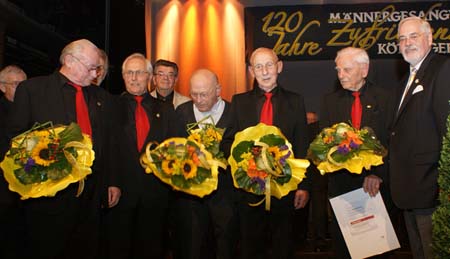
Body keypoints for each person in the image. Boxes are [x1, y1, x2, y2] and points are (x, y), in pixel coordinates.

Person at [2, 39, 121, 259]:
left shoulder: (101, 98)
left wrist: (111, 181)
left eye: (98, 69)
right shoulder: (33, 90)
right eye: (91, 68)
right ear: (69, 61)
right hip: (49, 198)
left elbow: (109, 142)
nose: (95, 74)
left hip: (91, 195)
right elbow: (14, 139)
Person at [221, 47, 310, 259]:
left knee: (284, 245)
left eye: (269, 64)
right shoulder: (239, 102)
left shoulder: (295, 101)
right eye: (258, 66)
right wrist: (245, 157)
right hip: (249, 190)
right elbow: (227, 142)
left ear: (279, 67)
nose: (265, 71)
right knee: (251, 247)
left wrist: (303, 186)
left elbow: (302, 144)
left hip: (285, 187)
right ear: (251, 71)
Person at [320, 47, 393, 258]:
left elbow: (391, 142)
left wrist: (378, 173)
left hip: (376, 188)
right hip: (342, 190)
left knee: (378, 250)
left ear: (364, 69)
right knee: (345, 250)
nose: (340, 75)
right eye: (338, 70)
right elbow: (325, 144)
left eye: (346, 69)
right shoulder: (329, 101)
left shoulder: (386, 99)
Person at [105, 53, 179, 259]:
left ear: (149, 77)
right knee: (119, 246)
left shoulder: (166, 109)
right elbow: (108, 148)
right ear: (123, 76)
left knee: (152, 245)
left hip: (156, 191)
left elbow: (172, 147)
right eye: (129, 73)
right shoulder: (110, 106)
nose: (134, 78)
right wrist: (112, 182)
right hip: (120, 190)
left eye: (139, 73)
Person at [390, 16, 450, 259]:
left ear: (430, 38)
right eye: (402, 38)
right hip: (409, 189)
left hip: (432, 188)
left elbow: (448, 130)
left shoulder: (442, 68)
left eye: (413, 36)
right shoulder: (405, 80)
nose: (407, 43)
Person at [173, 69, 238, 259]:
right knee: (193, 244)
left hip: (224, 194)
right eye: (194, 94)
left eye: (204, 94)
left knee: (226, 243)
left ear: (218, 90)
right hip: (192, 196)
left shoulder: (234, 111)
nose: (198, 99)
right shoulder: (182, 112)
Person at [0, 65, 27, 259]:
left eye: (25, 84)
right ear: (2, 87)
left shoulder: (32, 111)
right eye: (17, 84)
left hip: (28, 194)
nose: (23, 89)